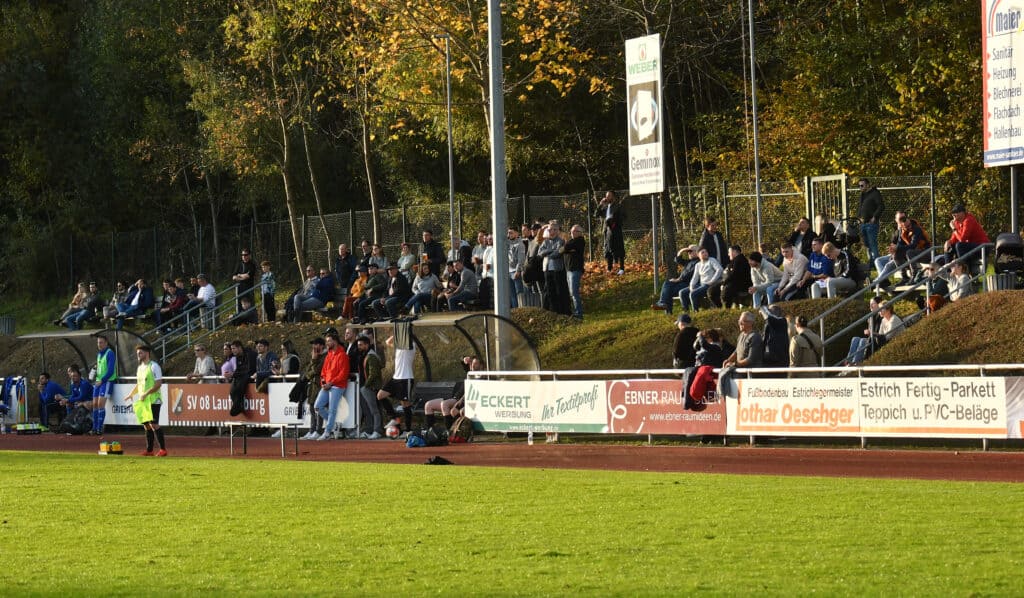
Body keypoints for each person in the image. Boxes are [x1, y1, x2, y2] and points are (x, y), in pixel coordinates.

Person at [123, 344, 168, 456]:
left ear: (147, 353)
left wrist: (146, 393)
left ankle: (163, 450)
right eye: (137, 353)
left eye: (140, 353)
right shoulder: (140, 368)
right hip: (143, 401)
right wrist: (131, 394)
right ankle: (149, 450)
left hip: (154, 399)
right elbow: (139, 384)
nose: (138, 355)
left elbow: (158, 384)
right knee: (146, 425)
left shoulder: (154, 366)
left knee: (154, 424)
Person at [314, 331, 350, 441]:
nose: (327, 343)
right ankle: (334, 425)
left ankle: (327, 431)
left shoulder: (342, 355)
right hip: (328, 385)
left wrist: (331, 383)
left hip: (338, 386)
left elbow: (343, 374)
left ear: (335, 341)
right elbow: (323, 372)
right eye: (327, 341)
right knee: (317, 406)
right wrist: (323, 383)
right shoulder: (328, 355)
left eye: (329, 341)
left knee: (332, 409)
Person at [378, 331, 415, 437]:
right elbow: (387, 341)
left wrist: (404, 333)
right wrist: (397, 333)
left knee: (405, 403)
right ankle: (394, 418)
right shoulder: (399, 345)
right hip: (396, 378)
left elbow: (406, 342)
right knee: (380, 395)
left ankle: (408, 430)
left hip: (405, 378)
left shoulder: (411, 344)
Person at [654, 245, 699, 315]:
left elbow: (690, 274)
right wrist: (681, 251)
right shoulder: (689, 262)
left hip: (689, 284)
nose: (689, 253)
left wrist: (679, 279)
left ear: (697, 252)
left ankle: (665, 308)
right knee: (667, 284)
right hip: (682, 283)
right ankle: (664, 306)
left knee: (668, 290)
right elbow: (677, 260)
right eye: (688, 252)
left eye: (691, 251)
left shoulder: (698, 262)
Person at [539, 221, 571, 315]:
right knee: (549, 291)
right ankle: (550, 311)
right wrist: (551, 250)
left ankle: (561, 312)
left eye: (554, 229)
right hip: (547, 269)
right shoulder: (545, 241)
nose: (551, 232)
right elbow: (540, 253)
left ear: (557, 231)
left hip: (557, 270)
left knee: (559, 291)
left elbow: (557, 254)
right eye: (550, 230)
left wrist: (548, 253)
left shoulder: (561, 241)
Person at [355, 335, 383, 439]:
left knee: (374, 410)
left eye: (361, 345)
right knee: (368, 410)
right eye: (358, 345)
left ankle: (377, 430)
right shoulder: (365, 355)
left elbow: (373, 373)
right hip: (366, 386)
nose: (359, 347)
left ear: (367, 345)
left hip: (370, 387)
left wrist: (366, 385)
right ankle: (370, 430)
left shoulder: (371, 356)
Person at [844, 296, 883, 366]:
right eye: (870, 304)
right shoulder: (871, 316)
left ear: (879, 304)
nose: (870, 306)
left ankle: (856, 363)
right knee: (855, 338)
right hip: (870, 338)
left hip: (877, 340)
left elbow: (881, 334)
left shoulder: (882, 316)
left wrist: (870, 332)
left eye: (873, 303)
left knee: (863, 340)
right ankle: (849, 362)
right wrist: (868, 332)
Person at [301, 337, 327, 440]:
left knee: (318, 408)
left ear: (321, 346)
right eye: (313, 344)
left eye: (316, 344)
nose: (314, 346)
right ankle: (312, 430)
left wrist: (314, 359)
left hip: (320, 385)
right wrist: (313, 363)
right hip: (312, 385)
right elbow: (308, 372)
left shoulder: (325, 356)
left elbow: (316, 370)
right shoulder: (315, 356)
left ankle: (318, 430)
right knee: (312, 408)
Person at [91, 335, 117, 435]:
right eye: (98, 342)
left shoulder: (110, 353)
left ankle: (99, 428)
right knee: (94, 404)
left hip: (106, 381)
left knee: (100, 404)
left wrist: (102, 380)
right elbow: (100, 368)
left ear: (106, 343)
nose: (99, 344)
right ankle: (94, 428)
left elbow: (110, 371)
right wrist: (94, 370)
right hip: (98, 381)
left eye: (101, 342)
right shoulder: (99, 354)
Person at [681, 248, 722, 312]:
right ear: (698, 255)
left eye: (706, 252)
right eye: (703, 252)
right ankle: (686, 312)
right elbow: (695, 277)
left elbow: (719, 270)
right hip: (701, 285)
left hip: (709, 285)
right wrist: (691, 286)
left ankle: (696, 312)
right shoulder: (698, 265)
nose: (705, 253)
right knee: (682, 292)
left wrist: (712, 281)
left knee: (693, 294)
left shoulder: (712, 260)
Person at [596, 191, 625, 275]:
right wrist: (600, 205)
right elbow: (596, 214)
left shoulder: (618, 206)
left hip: (616, 230)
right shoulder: (605, 207)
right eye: (606, 196)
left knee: (619, 248)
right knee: (608, 249)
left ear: (613, 197)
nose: (607, 197)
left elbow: (623, 217)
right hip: (607, 230)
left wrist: (614, 220)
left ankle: (621, 268)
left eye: (609, 196)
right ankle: (609, 268)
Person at [561, 224, 586, 319]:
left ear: (580, 233)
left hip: (575, 270)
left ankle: (578, 313)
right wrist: (566, 249)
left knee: (574, 292)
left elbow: (566, 248)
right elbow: (564, 249)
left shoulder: (580, 241)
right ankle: (574, 311)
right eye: (571, 231)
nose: (572, 232)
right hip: (568, 269)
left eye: (575, 231)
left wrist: (566, 249)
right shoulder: (571, 241)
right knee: (571, 293)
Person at [227, 340, 257, 417]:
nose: (232, 351)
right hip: (243, 375)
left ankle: (238, 405)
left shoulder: (250, 354)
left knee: (241, 382)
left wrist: (235, 374)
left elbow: (250, 370)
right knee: (233, 386)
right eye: (231, 349)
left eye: (234, 348)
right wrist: (232, 374)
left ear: (240, 347)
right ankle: (237, 405)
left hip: (253, 374)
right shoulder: (237, 356)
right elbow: (238, 369)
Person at [857, 178, 885, 262]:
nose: (860, 187)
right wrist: (858, 218)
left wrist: (874, 217)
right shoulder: (862, 195)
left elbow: (881, 206)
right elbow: (861, 207)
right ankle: (871, 263)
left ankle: (877, 263)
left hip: (871, 224)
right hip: (862, 223)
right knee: (867, 244)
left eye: (862, 185)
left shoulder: (875, 193)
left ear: (867, 185)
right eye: (859, 186)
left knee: (872, 244)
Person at [508, 227, 527, 308]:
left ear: (516, 233)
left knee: (519, 292)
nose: (509, 234)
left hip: (515, 271)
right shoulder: (508, 243)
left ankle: (520, 309)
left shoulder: (520, 244)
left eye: (511, 233)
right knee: (512, 294)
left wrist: (518, 270)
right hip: (509, 271)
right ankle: (514, 310)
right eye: (508, 233)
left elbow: (521, 259)